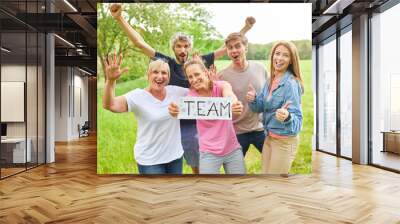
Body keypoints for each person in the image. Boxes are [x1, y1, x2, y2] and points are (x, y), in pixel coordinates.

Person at [110, 3, 255, 174]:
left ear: (190, 48)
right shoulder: (167, 63)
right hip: (185, 123)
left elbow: (228, 48)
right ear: (173, 48)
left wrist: (246, 28)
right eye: (179, 46)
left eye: (186, 46)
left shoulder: (200, 61)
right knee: (197, 163)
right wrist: (119, 18)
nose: (182, 49)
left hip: (209, 119)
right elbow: (140, 44)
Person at [102, 53, 188, 174]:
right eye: (155, 72)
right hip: (150, 161)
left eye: (164, 73)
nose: (160, 76)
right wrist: (111, 81)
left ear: (168, 77)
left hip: (175, 157)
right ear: (148, 75)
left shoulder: (177, 92)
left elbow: (202, 93)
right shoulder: (137, 96)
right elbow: (109, 105)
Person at [169, 59, 246, 174]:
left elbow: (229, 94)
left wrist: (233, 103)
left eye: (197, 74)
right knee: (209, 189)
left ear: (205, 72)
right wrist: (176, 111)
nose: (194, 79)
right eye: (190, 77)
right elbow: (183, 108)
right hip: (208, 152)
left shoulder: (221, 86)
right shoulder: (192, 97)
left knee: (239, 185)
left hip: (232, 149)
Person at [246, 41, 304, 174]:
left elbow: (298, 121)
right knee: (266, 179)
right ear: (272, 56)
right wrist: (253, 99)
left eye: (285, 55)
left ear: (291, 61)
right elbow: (259, 107)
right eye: (277, 54)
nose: (279, 58)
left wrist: (287, 117)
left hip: (284, 142)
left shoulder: (291, 84)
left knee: (275, 184)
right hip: (269, 138)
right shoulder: (270, 80)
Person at [218, 32, 267, 158]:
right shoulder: (222, 76)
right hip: (236, 132)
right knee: (234, 173)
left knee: (274, 166)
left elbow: (269, 95)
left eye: (237, 46)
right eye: (230, 48)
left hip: (261, 128)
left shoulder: (260, 68)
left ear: (245, 47)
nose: (234, 50)